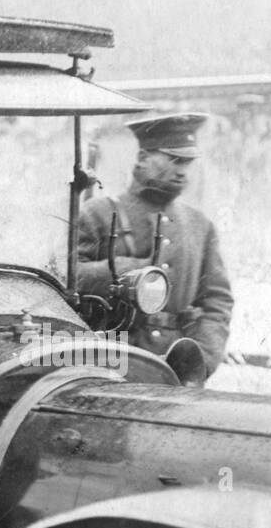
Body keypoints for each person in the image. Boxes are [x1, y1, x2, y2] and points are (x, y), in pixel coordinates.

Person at [75, 113, 233, 379]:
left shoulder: (199, 225)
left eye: (187, 162)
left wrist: (201, 358)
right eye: (173, 159)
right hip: (111, 363)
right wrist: (129, 271)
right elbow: (67, 279)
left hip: (178, 368)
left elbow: (217, 299)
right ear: (143, 158)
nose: (182, 170)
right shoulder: (97, 213)